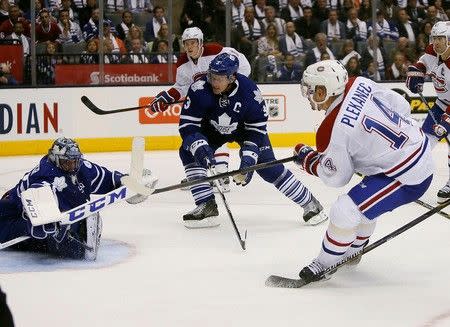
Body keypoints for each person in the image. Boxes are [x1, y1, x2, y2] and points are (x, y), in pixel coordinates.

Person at [293, 60, 434, 283]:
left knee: (345, 209)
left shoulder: (330, 131)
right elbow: (401, 105)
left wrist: (309, 160)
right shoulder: (358, 83)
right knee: (363, 203)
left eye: (312, 91)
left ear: (323, 90)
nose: (310, 96)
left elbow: (338, 176)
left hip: (409, 175)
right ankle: (353, 250)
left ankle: (324, 264)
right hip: (417, 147)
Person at [178, 53, 328, 229]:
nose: (214, 82)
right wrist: (199, 145)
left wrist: (248, 160)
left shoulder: (250, 92)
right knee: (187, 152)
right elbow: (187, 125)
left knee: (268, 168)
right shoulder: (199, 89)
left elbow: (256, 131)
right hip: (211, 130)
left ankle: (310, 204)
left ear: (232, 77)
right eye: (212, 76)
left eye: (219, 78)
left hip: (245, 131)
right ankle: (206, 204)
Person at [0, 137, 150, 260]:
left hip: (48, 215)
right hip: (13, 211)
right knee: (43, 235)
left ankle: (74, 230)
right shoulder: (46, 175)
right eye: (67, 162)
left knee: (59, 237)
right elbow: (36, 195)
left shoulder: (82, 167)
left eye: (74, 161)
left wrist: (124, 181)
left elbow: (106, 179)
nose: (72, 166)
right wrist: (39, 219)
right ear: (56, 160)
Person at [149, 27, 251, 192]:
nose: (189, 47)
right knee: (200, 138)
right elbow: (182, 86)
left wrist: (232, 88)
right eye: (186, 43)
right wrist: (168, 96)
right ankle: (204, 176)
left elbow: (243, 64)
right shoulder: (183, 62)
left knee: (219, 131)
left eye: (193, 43)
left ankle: (221, 174)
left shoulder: (216, 51)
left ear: (201, 42)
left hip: (224, 101)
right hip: (205, 104)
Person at [406, 21, 450, 203]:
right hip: (441, 103)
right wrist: (417, 72)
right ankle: (410, 174)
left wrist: (447, 121)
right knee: (424, 141)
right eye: (435, 38)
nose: (436, 42)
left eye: (441, 38)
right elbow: (423, 62)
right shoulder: (433, 51)